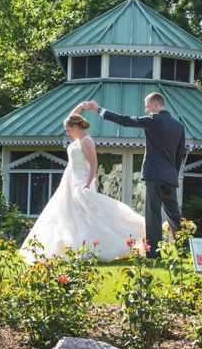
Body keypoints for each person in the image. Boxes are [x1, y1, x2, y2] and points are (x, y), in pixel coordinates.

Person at [19, 103, 145, 264]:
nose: (67, 132)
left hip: (81, 180)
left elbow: (94, 164)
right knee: (66, 212)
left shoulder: (86, 141)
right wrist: (82, 106)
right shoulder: (77, 137)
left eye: (69, 129)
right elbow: (71, 117)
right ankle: (69, 245)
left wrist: (87, 183)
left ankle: (120, 238)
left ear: (77, 127)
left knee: (86, 213)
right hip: (69, 179)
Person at [84, 92, 185, 258]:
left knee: (153, 216)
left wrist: (99, 110)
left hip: (154, 175)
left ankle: (153, 254)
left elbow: (125, 120)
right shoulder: (179, 126)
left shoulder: (154, 119)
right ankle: (184, 251)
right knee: (175, 215)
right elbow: (179, 154)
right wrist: (172, 174)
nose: (146, 110)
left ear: (154, 105)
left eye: (146, 106)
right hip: (170, 176)